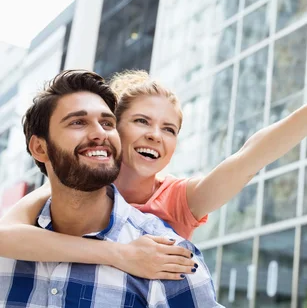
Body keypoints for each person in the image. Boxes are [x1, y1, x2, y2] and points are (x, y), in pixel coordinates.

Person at [0, 40, 307, 280]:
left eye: (169, 129)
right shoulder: (82, 183)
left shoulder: (177, 202)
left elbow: (250, 156)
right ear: (112, 130)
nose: (156, 134)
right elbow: (5, 236)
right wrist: (119, 254)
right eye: (141, 122)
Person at [0, 70, 222, 307]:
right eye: (78, 122)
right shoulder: (11, 248)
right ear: (40, 148)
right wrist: (118, 254)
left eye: (107, 123)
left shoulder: (167, 259)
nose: (99, 133)